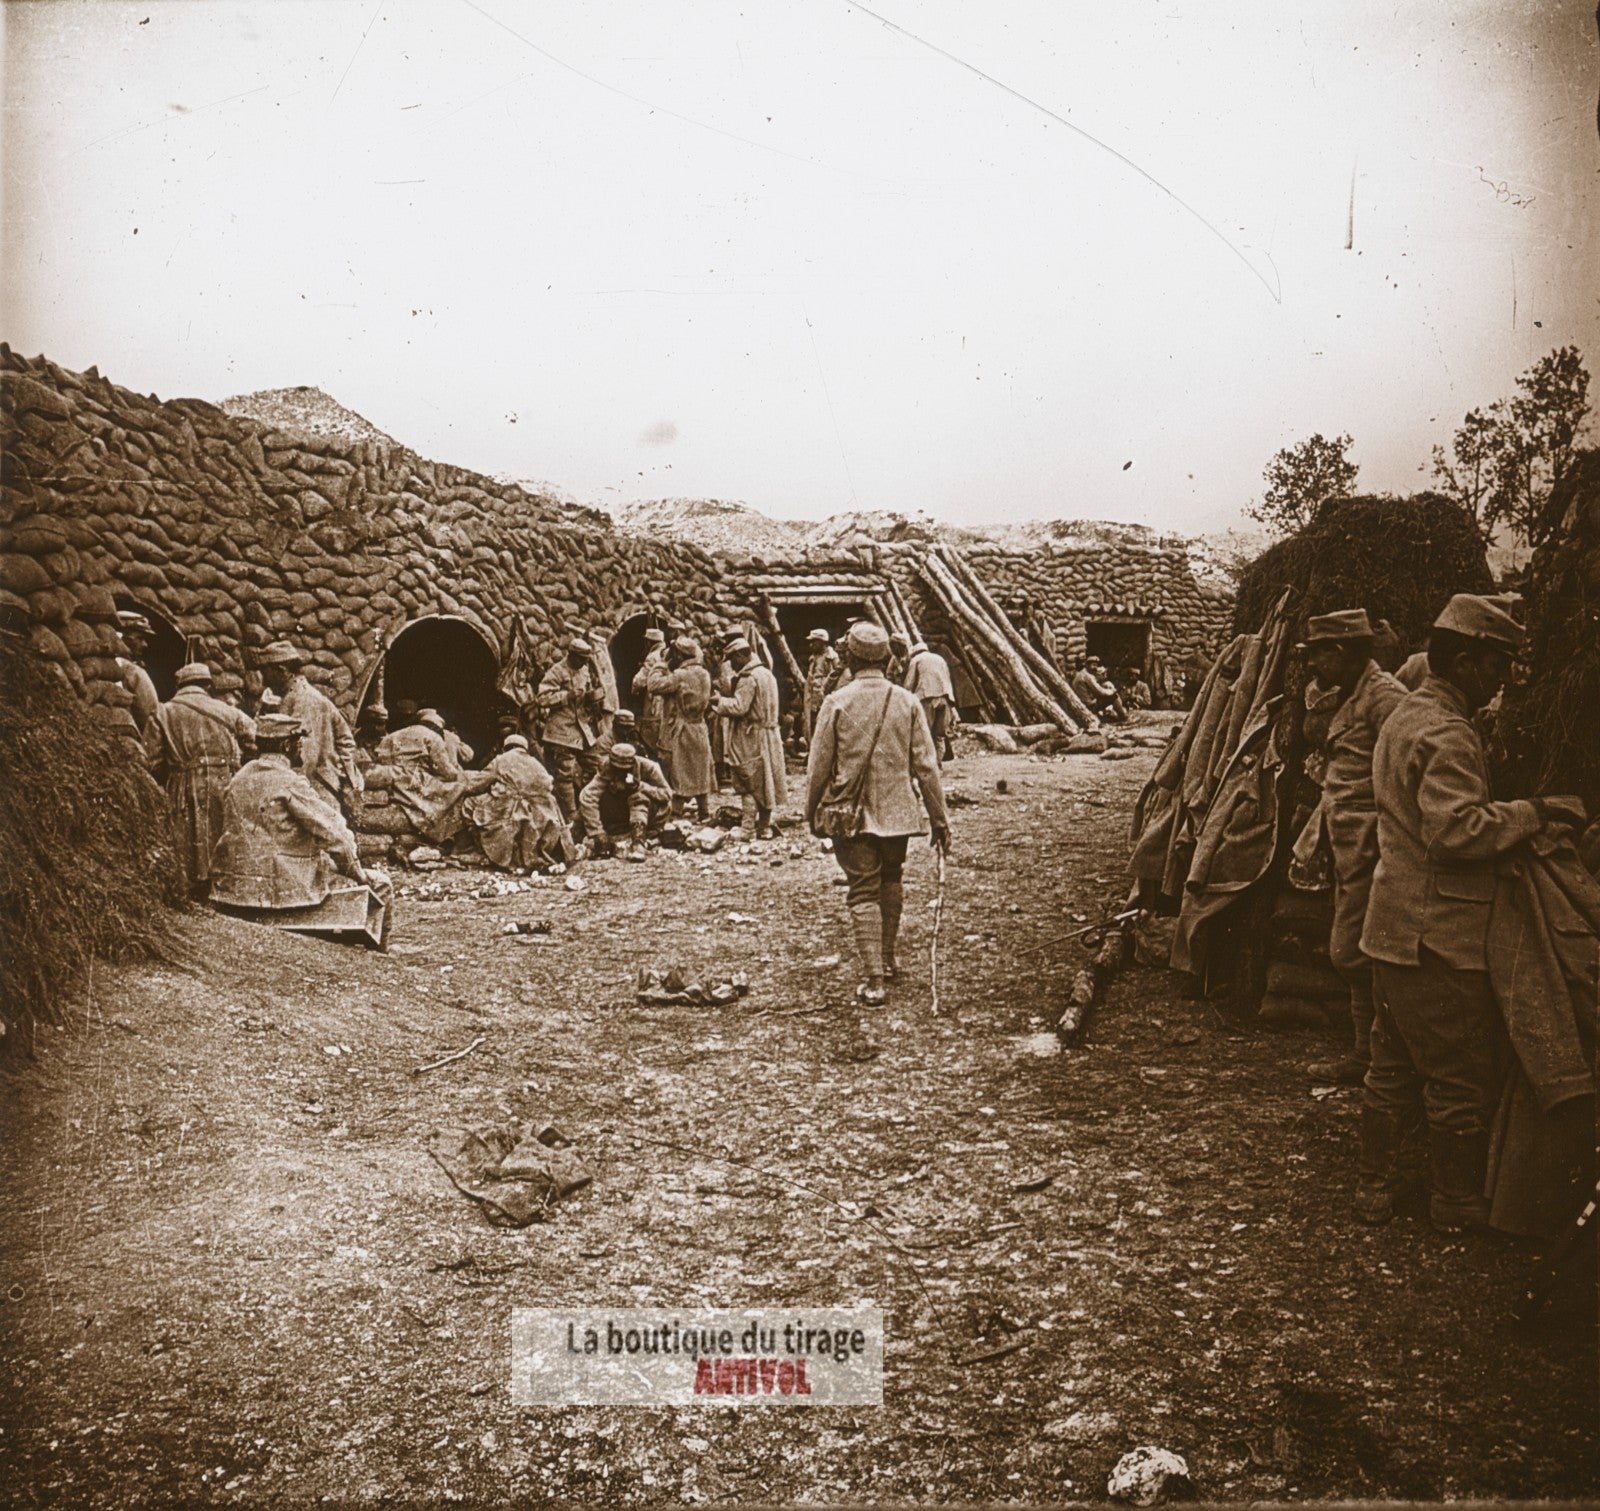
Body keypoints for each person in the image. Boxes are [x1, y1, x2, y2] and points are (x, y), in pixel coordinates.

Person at [1356, 593, 1587, 1231]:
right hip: (1439, 937)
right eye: (1496, 665)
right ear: (1462, 659)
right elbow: (1454, 831)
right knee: (1458, 1079)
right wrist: (1537, 812)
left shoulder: (1407, 714)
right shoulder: (1448, 731)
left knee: (1391, 1067)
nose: (1503, 680)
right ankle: (1455, 1202)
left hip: (1391, 927)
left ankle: (1374, 1187)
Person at [806, 621, 951, 1006]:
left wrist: (811, 812)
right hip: (897, 813)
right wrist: (939, 818)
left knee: (862, 889)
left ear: (850, 659)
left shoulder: (836, 702)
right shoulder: (905, 701)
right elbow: (927, 764)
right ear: (888, 659)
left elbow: (818, 768)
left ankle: (873, 979)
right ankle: (886, 959)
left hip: (850, 814)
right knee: (891, 878)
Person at [1297, 610, 1407, 1086]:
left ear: (1339, 652)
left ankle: (1377, 1057)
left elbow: (1405, 766)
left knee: (1353, 952)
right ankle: (1369, 1053)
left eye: (1319, 654)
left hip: (1371, 845)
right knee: (1355, 950)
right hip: (1349, 844)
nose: (1313, 665)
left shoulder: (1384, 699)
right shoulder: (1354, 693)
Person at [210, 713, 391, 924]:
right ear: (287, 745)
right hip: (283, 892)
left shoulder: (238, 779)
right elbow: (336, 836)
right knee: (381, 884)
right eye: (299, 743)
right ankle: (380, 956)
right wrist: (358, 874)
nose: (301, 748)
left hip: (232, 888)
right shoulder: (289, 782)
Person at [149, 661, 257, 897]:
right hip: (223, 781)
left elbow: (153, 760)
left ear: (180, 685)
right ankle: (221, 887)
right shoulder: (227, 710)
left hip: (183, 781)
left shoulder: (163, 712)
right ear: (207, 685)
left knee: (187, 833)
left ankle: (191, 889)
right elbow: (254, 738)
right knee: (221, 829)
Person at [255, 641, 363, 809]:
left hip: (316, 791)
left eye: (265, 671)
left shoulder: (305, 700)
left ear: (282, 670)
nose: (263, 678)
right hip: (308, 790)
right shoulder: (289, 696)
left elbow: (305, 756)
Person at [462, 733, 575, 871]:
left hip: (514, 811)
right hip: (541, 815)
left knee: (470, 803)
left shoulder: (502, 759)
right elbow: (548, 786)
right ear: (525, 749)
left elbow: (475, 785)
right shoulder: (537, 763)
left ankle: (479, 850)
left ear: (505, 748)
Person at [715, 636, 786, 839]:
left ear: (740, 655)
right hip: (770, 734)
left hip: (752, 736)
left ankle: (747, 829)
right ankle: (764, 827)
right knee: (767, 782)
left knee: (749, 781)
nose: (732, 665)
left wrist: (719, 702)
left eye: (732, 660)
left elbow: (739, 707)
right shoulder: (767, 675)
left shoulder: (748, 678)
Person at [537, 635, 606, 823]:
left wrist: (592, 698)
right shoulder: (557, 671)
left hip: (582, 729)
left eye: (586, 660)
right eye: (581, 659)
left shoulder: (583, 671)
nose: (584, 663)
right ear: (572, 655)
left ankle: (591, 805)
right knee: (564, 773)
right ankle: (571, 814)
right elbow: (542, 698)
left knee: (596, 765)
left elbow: (589, 693)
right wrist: (566, 696)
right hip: (561, 730)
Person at [646, 635, 715, 822]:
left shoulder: (680, 676)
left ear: (680, 655)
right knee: (700, 770)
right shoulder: (704, 673)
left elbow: (653, 685)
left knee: (680, 771)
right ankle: (704, 812)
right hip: (699, 727)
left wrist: (661, 663)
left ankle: (675, 813)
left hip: (682, 729)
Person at [377, 707, 471, 843]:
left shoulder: (392, 735)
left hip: (391, 779)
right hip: (415, 782)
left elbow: (380, 759)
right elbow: (447, 773)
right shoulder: (433, 737)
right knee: (459, 791)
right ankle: (448, 838)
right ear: (437, 727)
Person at [578, 743, 672, 858]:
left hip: (646, 814)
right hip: (618, 814)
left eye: (625, 769)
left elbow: (667, 794)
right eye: (617, 769)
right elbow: (588, 796)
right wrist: (597, 832)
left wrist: (640, 786)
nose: (620, 772)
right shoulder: (607, 767)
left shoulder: (649, 767)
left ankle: (639, 839)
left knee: (639, 796)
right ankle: (610, 836)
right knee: (584, 808)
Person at [903, 640, 957, 764]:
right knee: (939, 736)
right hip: (945, 697)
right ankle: (938, 764)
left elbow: (908, 684)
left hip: (927, 697)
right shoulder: (940, 659)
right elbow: (947, 678)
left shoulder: (916, 660)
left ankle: (928, 765)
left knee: (925, 733)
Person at [115, 611, 160, 737]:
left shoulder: (106, 665)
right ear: (122, 638)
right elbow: (151, 717)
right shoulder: (133, 672)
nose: (144, 644)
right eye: (139, 638)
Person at [633, 627, 670, 754]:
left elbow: (639, 680)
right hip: (666, 702)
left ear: (649, 642)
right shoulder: (668, 653)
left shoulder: (653, 656)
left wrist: (634, 689)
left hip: (653, 701)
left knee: (650, 735)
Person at [803, 629, 840, 743]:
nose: (811, 645)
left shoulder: (832, 658)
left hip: (824, 695)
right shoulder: (813, 658)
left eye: (814, 642)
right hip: (813, 695)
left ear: (822, 642)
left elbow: (835, 677)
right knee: (812, 722)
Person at [1070, 656, 1128, 723]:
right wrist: (1112, 691)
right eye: (1093, 665)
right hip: (1088, 705)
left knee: (1107, 688)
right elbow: (1100, 692)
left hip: (1081, 703)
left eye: (1096, 665)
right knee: (1114, 696)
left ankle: (1115, 713)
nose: (1095, 668)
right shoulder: (1087, 676)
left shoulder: (1081, 674)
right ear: (1087, 665)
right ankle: (1124, 717)